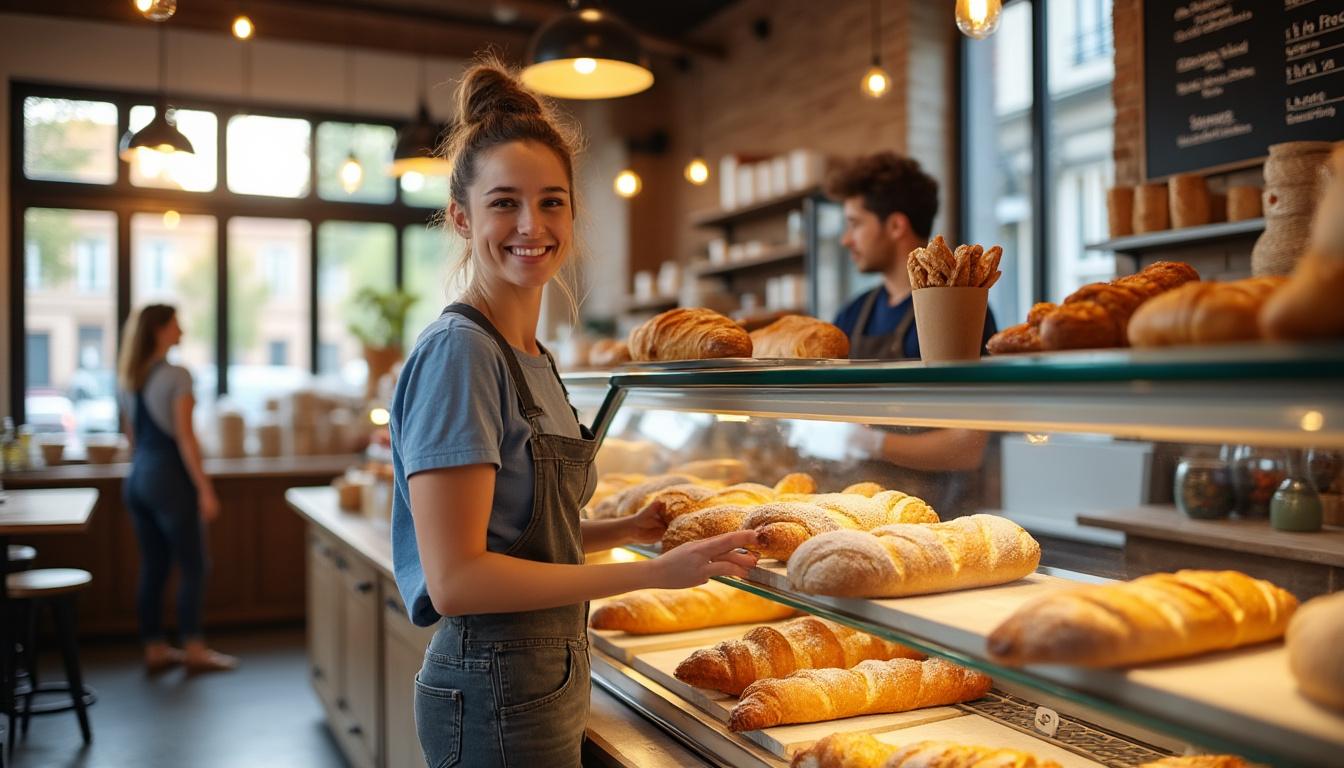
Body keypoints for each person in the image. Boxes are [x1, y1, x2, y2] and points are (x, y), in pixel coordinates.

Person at [390, 59, 758, 768]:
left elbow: (524, 537)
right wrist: (649, 573)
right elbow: (460, 580)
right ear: (463, 219)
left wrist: (631, 528)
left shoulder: (533, 352)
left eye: (551, 201)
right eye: (505, 203)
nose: (532, 225)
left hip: (540, 677)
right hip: (493, 682)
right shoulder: (461, 353)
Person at [826, 152, 996, 513]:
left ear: (896, 226)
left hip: (939, 516)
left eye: (854, 224)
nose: (846, 239)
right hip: (857, 508)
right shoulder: (852, 314)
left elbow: (968, 446)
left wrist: (873, 443)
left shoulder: (960, 310)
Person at [117, 304, 236, 673]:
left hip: (137, 479)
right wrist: (205, 489)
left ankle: (155, 647)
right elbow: (185, 437)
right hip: (169, 478)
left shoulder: (127, 376)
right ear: (160, 330)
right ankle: (195, 649)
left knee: (153, 566)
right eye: (176, 324)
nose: (181, 330)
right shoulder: (177, 375)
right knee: (194, 565)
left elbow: (131, 435)